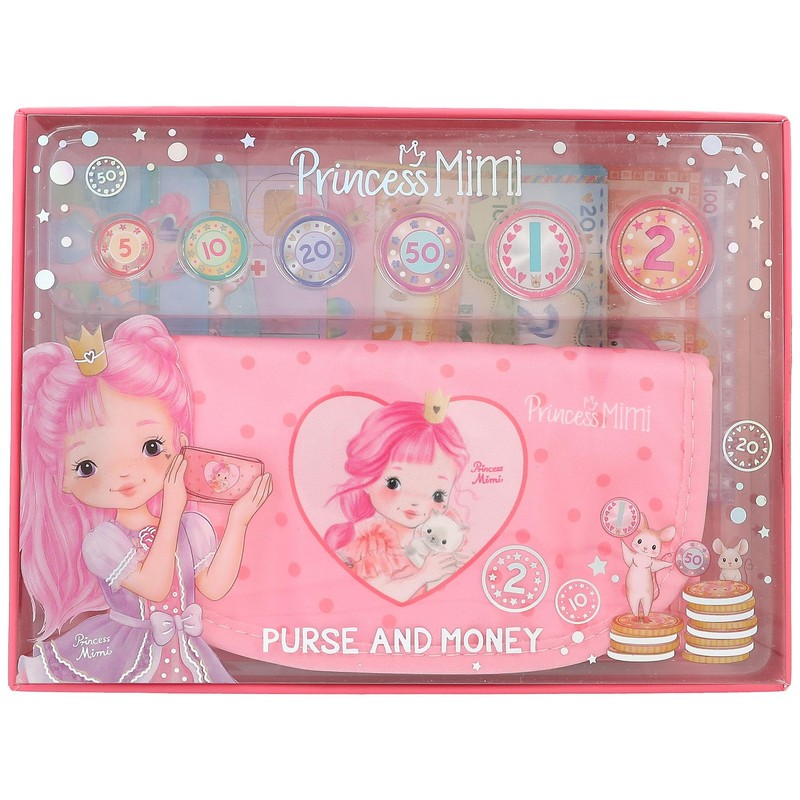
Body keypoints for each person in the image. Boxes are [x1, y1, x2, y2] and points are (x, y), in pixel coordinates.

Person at [17, 315, 271, 683]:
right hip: (122, 650)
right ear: (64, 480)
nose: (124, 474)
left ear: (180, 443)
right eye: (87, 466)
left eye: (151, 447)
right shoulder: (103, 542)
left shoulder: (192, 528)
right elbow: (154, 585)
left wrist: (239, 521)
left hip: (184, 650)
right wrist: (171, 511)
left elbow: (214, 587)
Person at [325, 395, 469, 602]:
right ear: (367, 479)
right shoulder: (374, 542)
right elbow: (373, 597)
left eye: (438, 495)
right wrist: (424, 575)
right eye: (394, 483)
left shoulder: (431, 537)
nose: (416, 502)